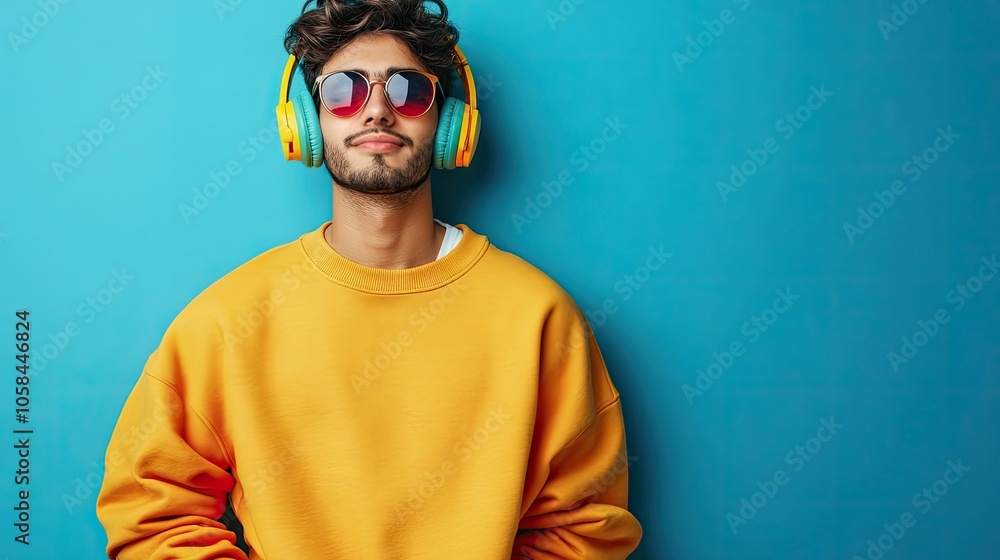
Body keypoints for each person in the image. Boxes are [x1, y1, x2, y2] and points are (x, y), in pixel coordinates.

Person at [95, 0, 642, 558]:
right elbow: (150, 515)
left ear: (449, 121)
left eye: (408, 89)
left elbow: (583, 528)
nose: (377, 110)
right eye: (343, 91)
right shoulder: (227, 321)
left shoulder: (540, 317)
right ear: (306, 121)